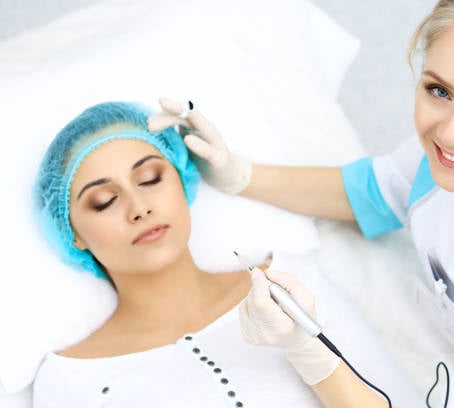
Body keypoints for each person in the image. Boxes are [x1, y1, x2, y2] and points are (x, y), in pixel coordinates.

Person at [147, 0, 454, 406]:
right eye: (439, 90)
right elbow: (374, 190)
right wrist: (238, 175)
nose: (451, 132)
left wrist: (307, 350)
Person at [30, 101, 416, 407]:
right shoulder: (69, 380)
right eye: (104, 201)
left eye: (150, 179)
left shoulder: (291, 287)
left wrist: (308, 352)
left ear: (182, 180)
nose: (139, 208)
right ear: (72, 233)